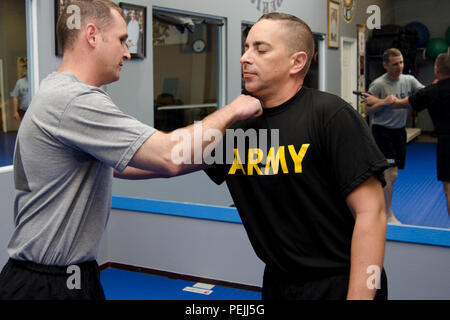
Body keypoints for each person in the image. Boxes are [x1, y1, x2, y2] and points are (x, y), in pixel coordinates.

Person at [0, 0, 261, 300]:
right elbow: (167, 155)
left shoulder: (63, 90)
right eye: (123, 40)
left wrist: (221, 154)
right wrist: (234, 110)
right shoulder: (73, 100)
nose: (127, 52)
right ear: (92, 35)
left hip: (71, 275)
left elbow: (128, 164)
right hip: (45, 284)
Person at [205, 13, 389, 300]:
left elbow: (372, 214)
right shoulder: (238, 126)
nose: (245, 57)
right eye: (246, 47)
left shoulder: (331, 116)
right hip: (280, 283)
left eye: (260, 49)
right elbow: (167, 159)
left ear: (297, 61)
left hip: (339, 282)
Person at [363, 48, 425, 224]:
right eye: (395, 64)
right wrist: (383, 102)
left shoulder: (409, 80)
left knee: (391, 174)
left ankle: (380, 206)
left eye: (401, 63)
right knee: (391, 173)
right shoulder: (378, 84)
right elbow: (366, 111)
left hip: (399, 132)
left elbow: (424, 94)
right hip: (382, 132)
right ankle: (387, 214)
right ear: (385, 65)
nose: (399, 67)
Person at [386, 53, 450, 217]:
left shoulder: (432, 91)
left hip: (447, 143)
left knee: (449, 188)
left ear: (436, 69)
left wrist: (378, 101)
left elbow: (401, 104)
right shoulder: (431, 90)